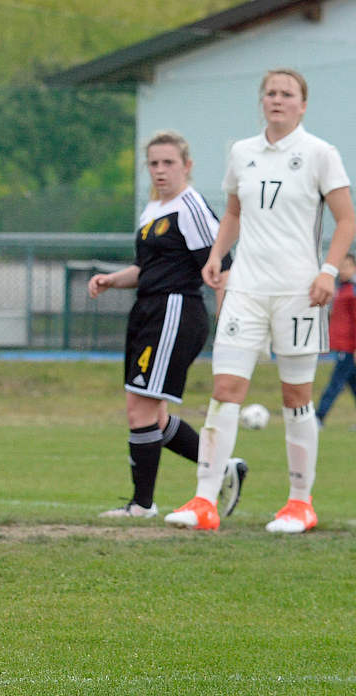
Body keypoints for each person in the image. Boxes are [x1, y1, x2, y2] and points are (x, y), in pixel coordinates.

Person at [165, 69, 355, 533]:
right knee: (224, 391)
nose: (277, 99)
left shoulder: (320, 154)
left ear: (302, 104)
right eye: (270, 92)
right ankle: (204, 501)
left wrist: (329, 271)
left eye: (287, 94)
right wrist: (216, 256)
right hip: (244, 291)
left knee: (296, 397)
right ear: (261, 101)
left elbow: (346, 219)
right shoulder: (241, 152)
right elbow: (232, 211)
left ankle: (299, 503)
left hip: (299, 294)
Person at [88, 131, 246, 519]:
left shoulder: (189, 207)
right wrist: (112, 280)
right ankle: (223, 467)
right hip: (148, 310)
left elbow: (220, 266)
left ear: (187, 166)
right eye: (154, 163)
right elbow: (147, 270)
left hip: (175, 311)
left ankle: (142, 504)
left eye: (168, 163)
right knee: (151, 416)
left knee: (139, 411)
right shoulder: (152, 210)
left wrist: (228, 326)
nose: (160, 170)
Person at [315, 253, 356, 425]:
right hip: (340, 345)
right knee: (352, 383)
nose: (343, 270)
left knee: (335, 382)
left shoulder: (353, 290)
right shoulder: (340, 288)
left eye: (347, 266)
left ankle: (319, 417)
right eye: (341, 266)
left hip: (349, 347)